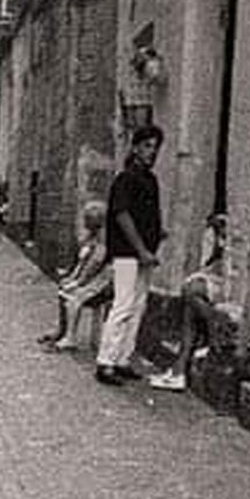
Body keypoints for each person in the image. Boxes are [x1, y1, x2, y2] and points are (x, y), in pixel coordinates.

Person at [95, 124, 166, 386]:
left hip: (145, 253)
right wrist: (141, 249)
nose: (152, 152)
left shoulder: (150, 179)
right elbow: (122, 215)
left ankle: (122, 358)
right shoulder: (125, 178)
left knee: (138, 306)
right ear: (135, 147)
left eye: (155, 147)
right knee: (123, 304)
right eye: (147, 146)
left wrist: (158, 232)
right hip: (127, 253)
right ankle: (105, 361)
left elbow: (144, 215)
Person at [148, 213, 233, 391]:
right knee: (189, 310)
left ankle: (213, 326)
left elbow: (228, 270)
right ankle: (179, 371)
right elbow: (210, 264)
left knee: (190, 292)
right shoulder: (215, 232)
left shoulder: (231, 235)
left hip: (229, 286)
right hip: (217, 282)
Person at [36, 201, 111, 352]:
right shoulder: (91, 237)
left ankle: (70, 338)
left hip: (101, 281)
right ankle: (62, 330)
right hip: (89, 278)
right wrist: (72, 278)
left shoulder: (104, 239)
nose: (84, 222)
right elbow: (81, 262)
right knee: (63, 289)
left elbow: (95, 265)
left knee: (73, 297)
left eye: (87, 219)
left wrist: (79, 282)